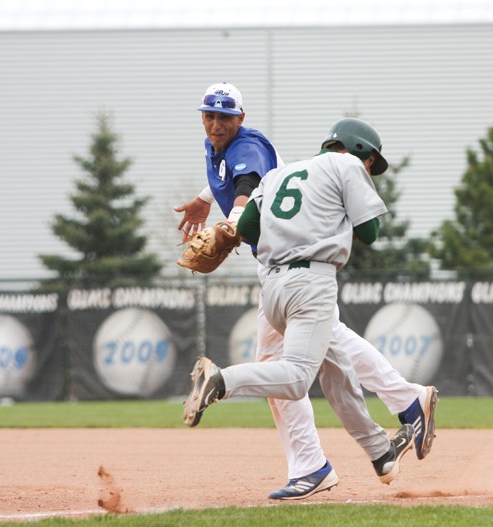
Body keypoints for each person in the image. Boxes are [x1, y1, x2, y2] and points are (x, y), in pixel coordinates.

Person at [176, 83, 439, 499]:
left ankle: (375, 448)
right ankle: (223, 381)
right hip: (311, 280)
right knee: (298, 374)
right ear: (358, 152)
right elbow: (369, 232)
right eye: (371, 162)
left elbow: (247, 223)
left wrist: (231, 224)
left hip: (274, 283)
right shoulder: (347, 166)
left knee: (334, 369)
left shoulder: (281, 173)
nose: (369, 169)